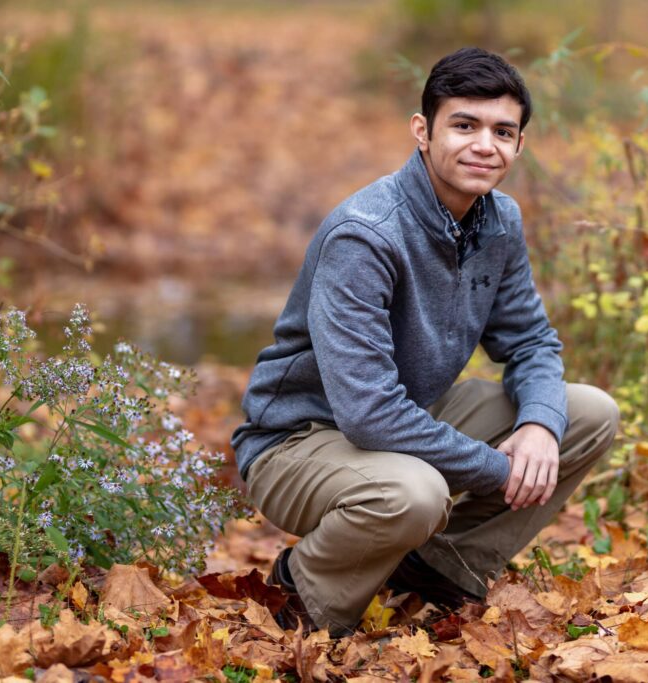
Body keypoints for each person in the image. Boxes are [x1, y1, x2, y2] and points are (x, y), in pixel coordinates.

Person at [231, 47, 619, 637]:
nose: (484, 145)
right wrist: (499, 467)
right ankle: (301, 593)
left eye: (502, 131)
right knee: (416, 494)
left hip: (407, 414)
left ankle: (438, 569)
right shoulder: (365, 236)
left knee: (586, 412)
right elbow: (367, 413)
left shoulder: (498, 222)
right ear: (423, 131)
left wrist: (539, 426)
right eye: (464, 125)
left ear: (519, 146)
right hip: (297, 440)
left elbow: (532, 342)